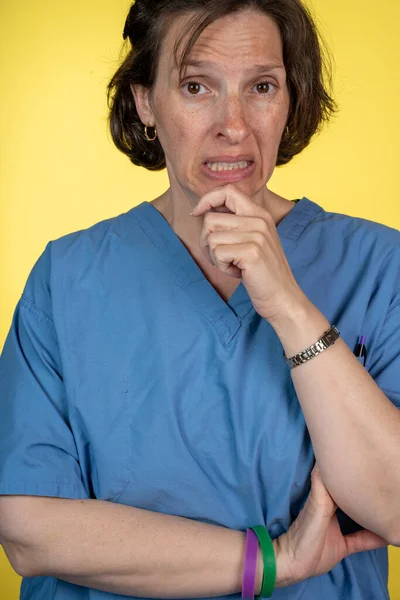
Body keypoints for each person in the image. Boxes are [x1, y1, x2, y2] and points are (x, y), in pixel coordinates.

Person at [0, 0, 399, 598]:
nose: (233, 124)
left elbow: (393, 505)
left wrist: (289, 306)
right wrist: (273, 561)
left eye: (261, 86)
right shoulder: (68, 277)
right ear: (145, 102)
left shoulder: (378, 265)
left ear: (290, 100)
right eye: (195, 86)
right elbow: (27, 530)